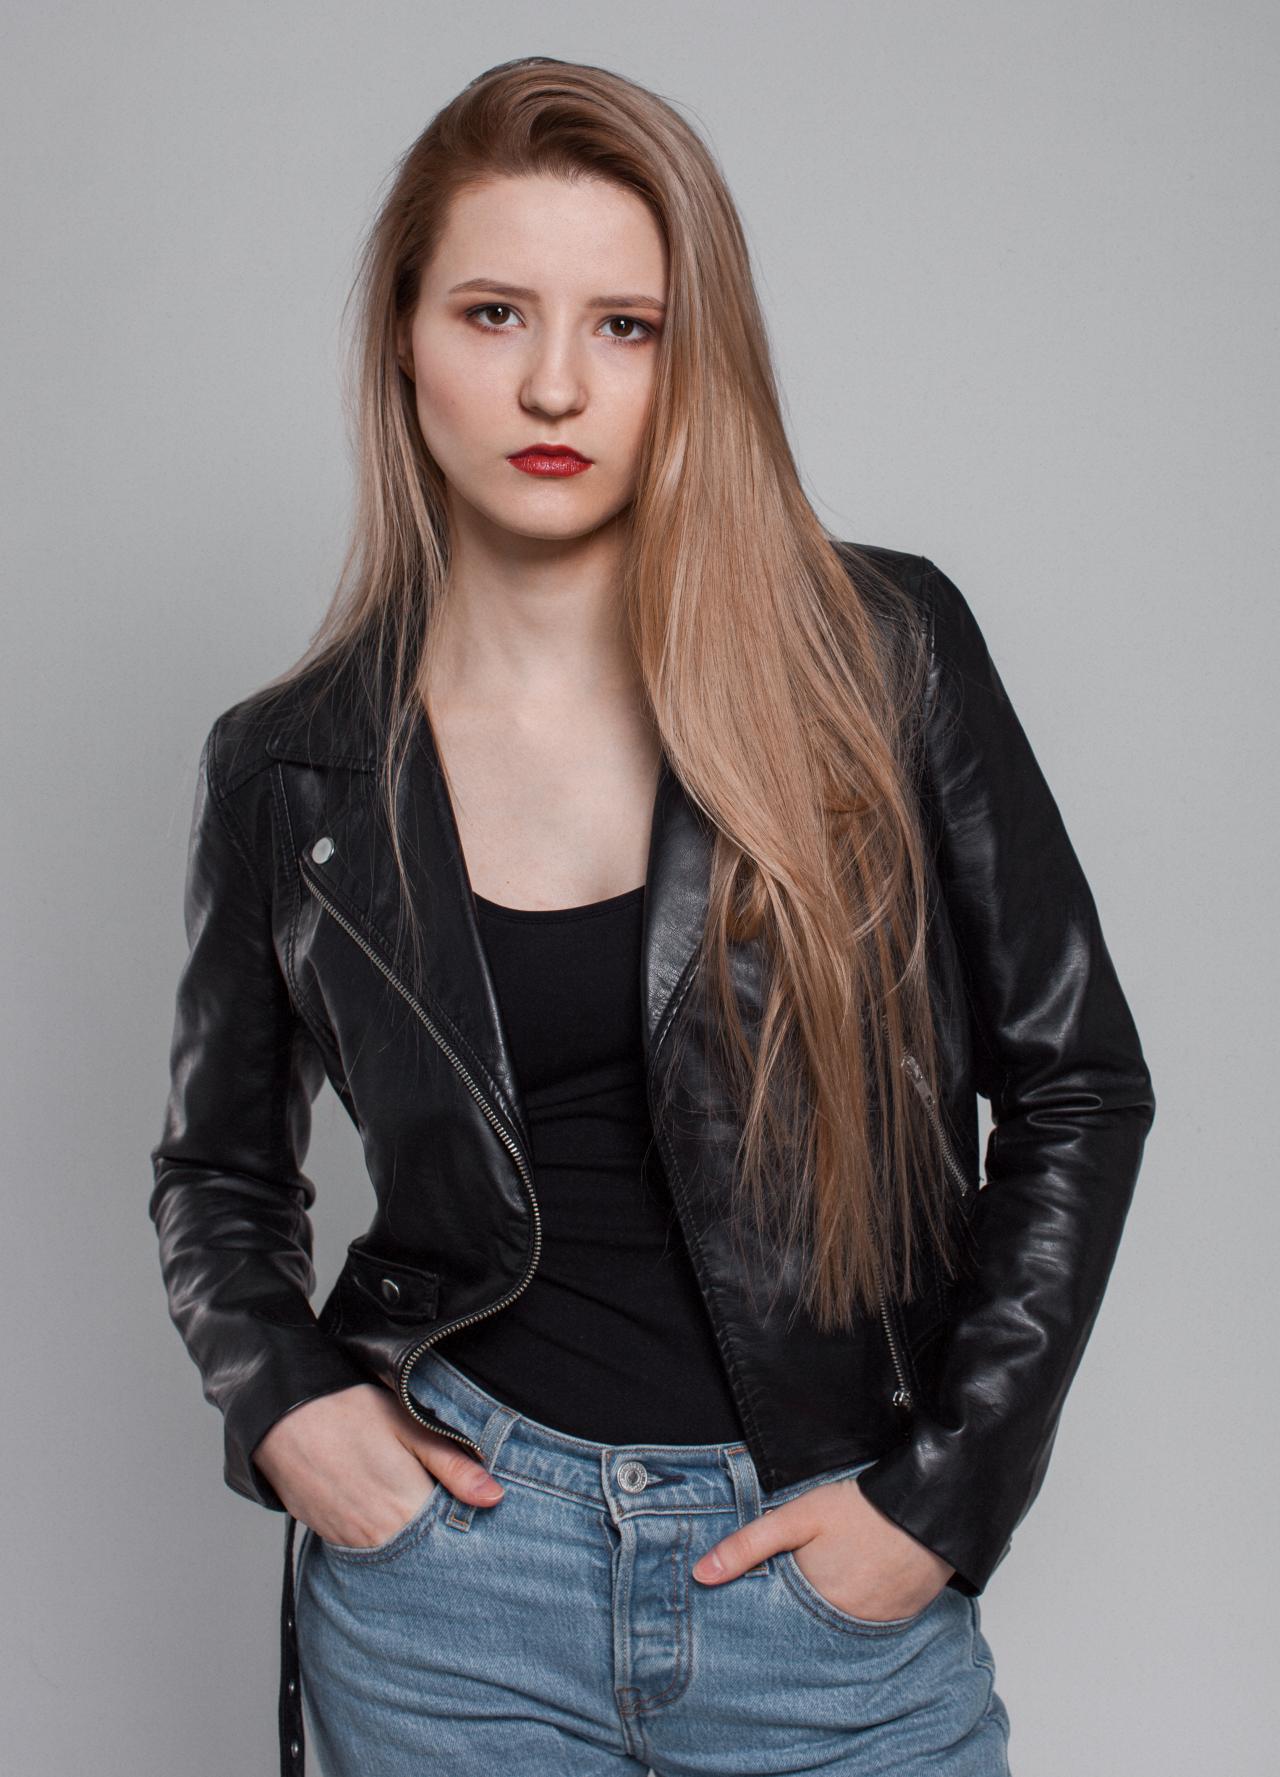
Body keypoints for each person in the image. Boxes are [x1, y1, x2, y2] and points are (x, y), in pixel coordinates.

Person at [148, 56, 1155, 1777]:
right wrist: (286, 1403)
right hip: (453, 1597)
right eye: (494, 312)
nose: (556, 382)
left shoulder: (878, 659)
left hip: (823, 1570)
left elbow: (1077, 1083)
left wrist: (945, 1494)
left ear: (700, 361)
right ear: (403, 340)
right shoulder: (288, 767)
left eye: (628, 326)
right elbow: (217, 1173)